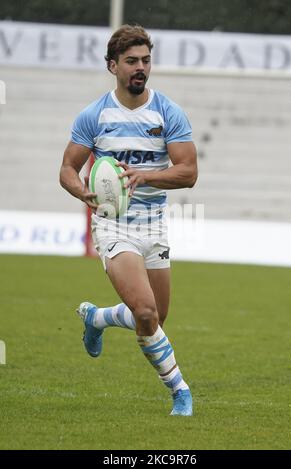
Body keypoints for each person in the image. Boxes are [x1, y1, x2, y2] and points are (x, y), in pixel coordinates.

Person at [59, 24, 198, 416]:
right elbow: (67, 169)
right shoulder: (95, 115)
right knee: (147, 312)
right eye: (132, 61)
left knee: (155, 317)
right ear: (112, 66)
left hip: (154, 225)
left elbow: (188, 172)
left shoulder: (168, 112)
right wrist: (81, 191)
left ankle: (97, 317)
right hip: (113, 223)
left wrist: (145, 176)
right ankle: (180, 392)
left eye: (146, 61)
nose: (141, 68)